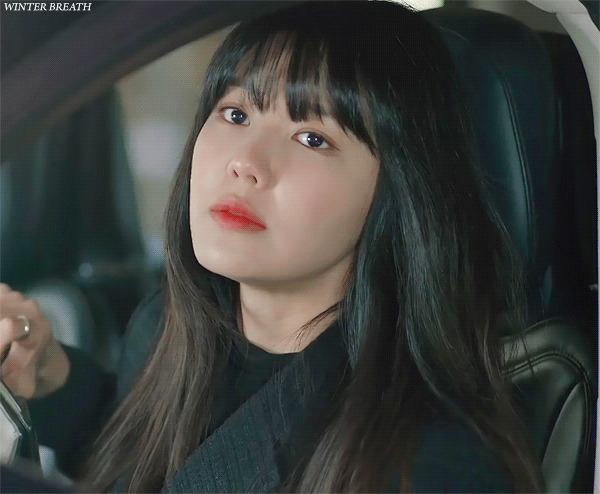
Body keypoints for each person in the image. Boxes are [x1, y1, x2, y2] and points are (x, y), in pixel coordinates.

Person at [0, 1, 545, 492]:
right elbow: (150, 463)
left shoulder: (429, 463)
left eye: (312, 138)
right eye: (236, 114)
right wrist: (49, 377)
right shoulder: (172, 330)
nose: (246, 162)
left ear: (395, 192)